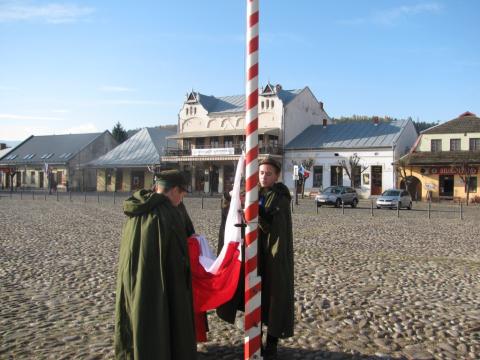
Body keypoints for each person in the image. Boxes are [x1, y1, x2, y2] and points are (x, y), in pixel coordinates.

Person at [114, 170, 197, 360]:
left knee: (136, 318)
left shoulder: (137, 208)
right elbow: (177, 259)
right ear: (174, 190)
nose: (182, 197)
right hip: (159, 283)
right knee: (157, 322)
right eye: (182, 192)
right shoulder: (167, 213)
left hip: (133, 277)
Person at [258, 156, 294, 359]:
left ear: (277, 176)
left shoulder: (280, 196)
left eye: (268, 173)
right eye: (261, 173)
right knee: (258, 296)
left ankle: (271, 342)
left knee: (274, 295)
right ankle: (255, 338)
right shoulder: (258, 193)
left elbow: (274, 226)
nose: (264, 177)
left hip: (274, 255)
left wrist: (258, 215)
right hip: (257, 254)